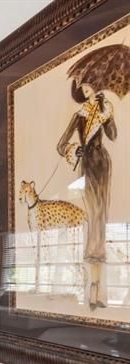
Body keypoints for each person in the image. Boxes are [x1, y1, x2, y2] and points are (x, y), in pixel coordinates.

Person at [56, 81, 117, 310]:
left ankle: (99, 287)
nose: (86, 89)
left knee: (102, 217)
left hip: (103, 164)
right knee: (93, 218)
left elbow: (113, 135)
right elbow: (61, 145)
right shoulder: (79, 114)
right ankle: (93, 286)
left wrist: (105, 113)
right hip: (87, 166)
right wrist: (74, 150)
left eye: (88, 85)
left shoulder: (105, 108)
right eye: (82, 88)